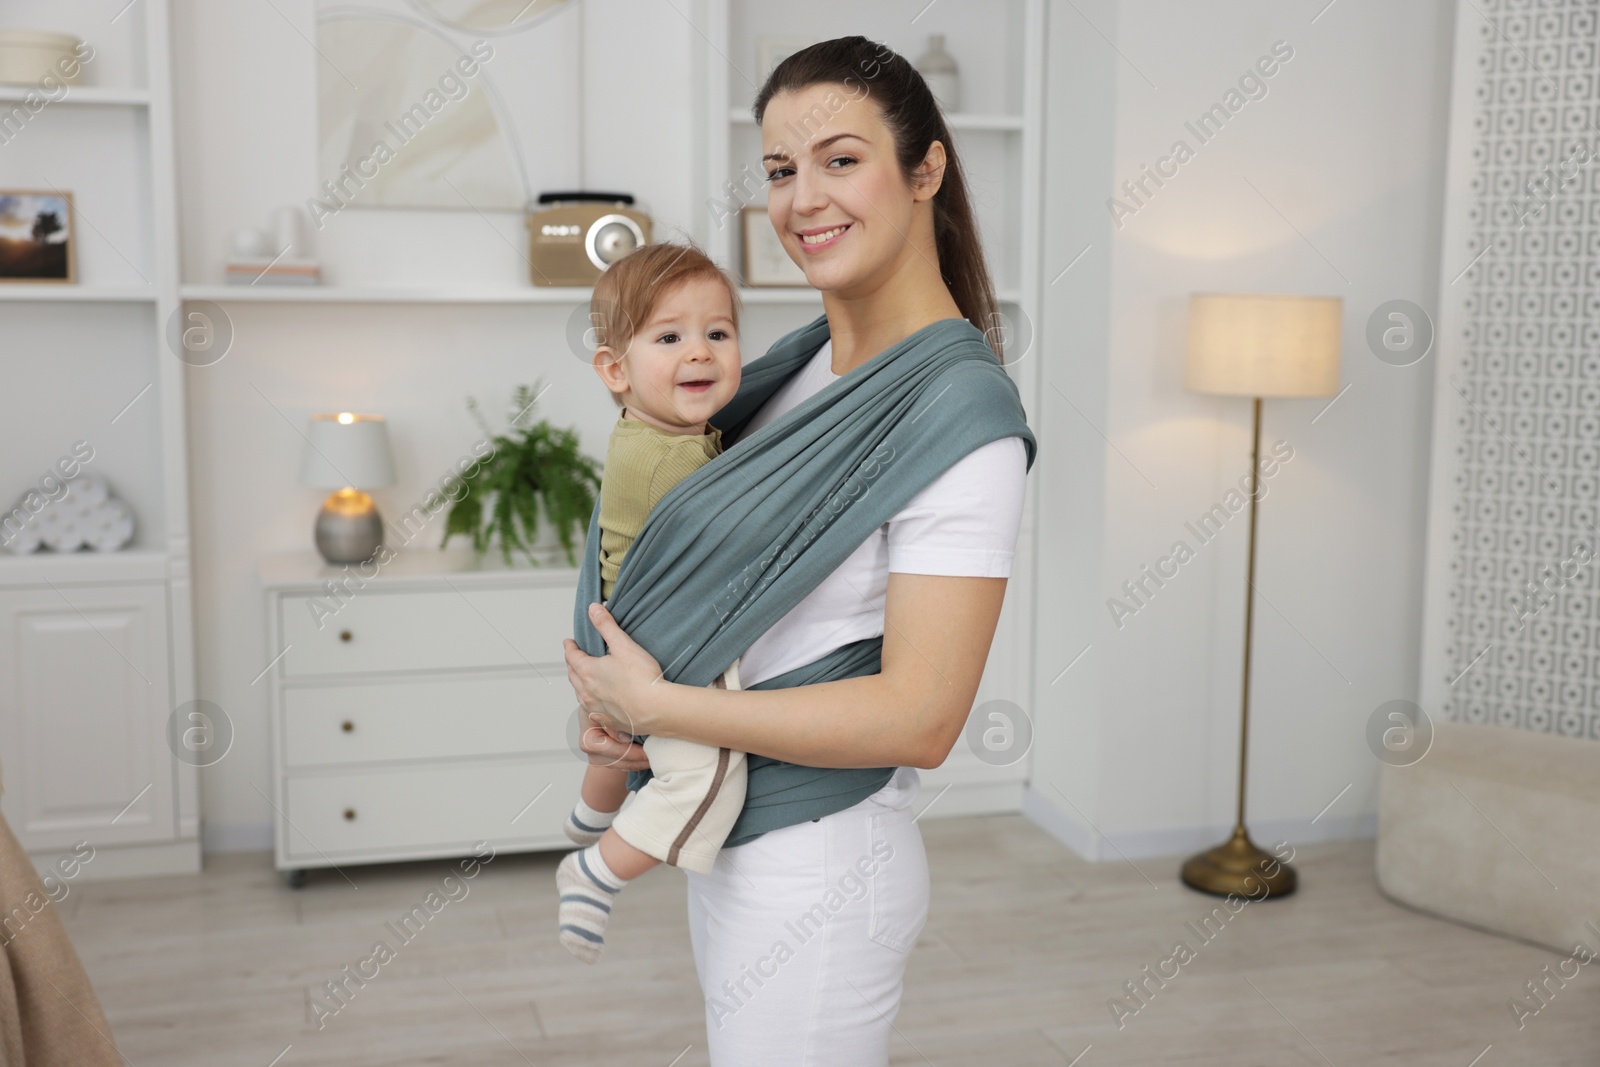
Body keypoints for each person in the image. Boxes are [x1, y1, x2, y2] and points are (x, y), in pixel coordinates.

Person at [563, 36, 1034, 1065]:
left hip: (822, 862)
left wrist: (661, 707)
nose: (801, 198)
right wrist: (625, 722)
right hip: (735, 840)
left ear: (925, 169)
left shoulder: (960, 413)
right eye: (779, 170)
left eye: (839, 159)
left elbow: (923, 715)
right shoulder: (791, 367)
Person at [556, 241, 749, 963]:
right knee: (710, 772)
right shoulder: (669, 458)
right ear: (615, 369)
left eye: (718, 333)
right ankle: (597, 868)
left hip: (624, 626)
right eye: (669, 337)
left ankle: (590, 809)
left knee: (622, 734)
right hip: (663, 642)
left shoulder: (658, 432)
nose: (700, 352)